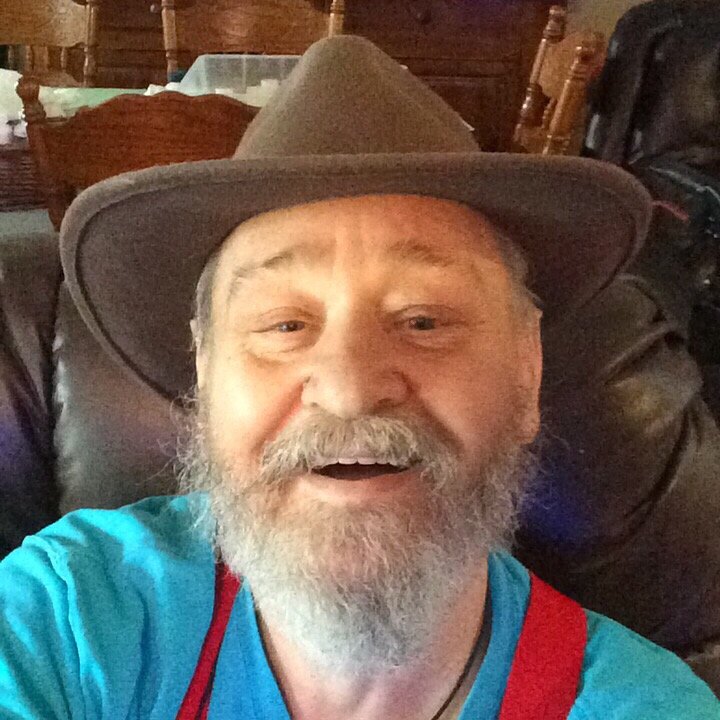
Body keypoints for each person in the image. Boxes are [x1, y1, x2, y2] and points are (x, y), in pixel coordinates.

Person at [0, 36, 718, 720]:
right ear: (206, 376)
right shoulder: (67, 618)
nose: (348, 390)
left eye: (424, 320)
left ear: (526, 371)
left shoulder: (642, 704)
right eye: (285, 324)